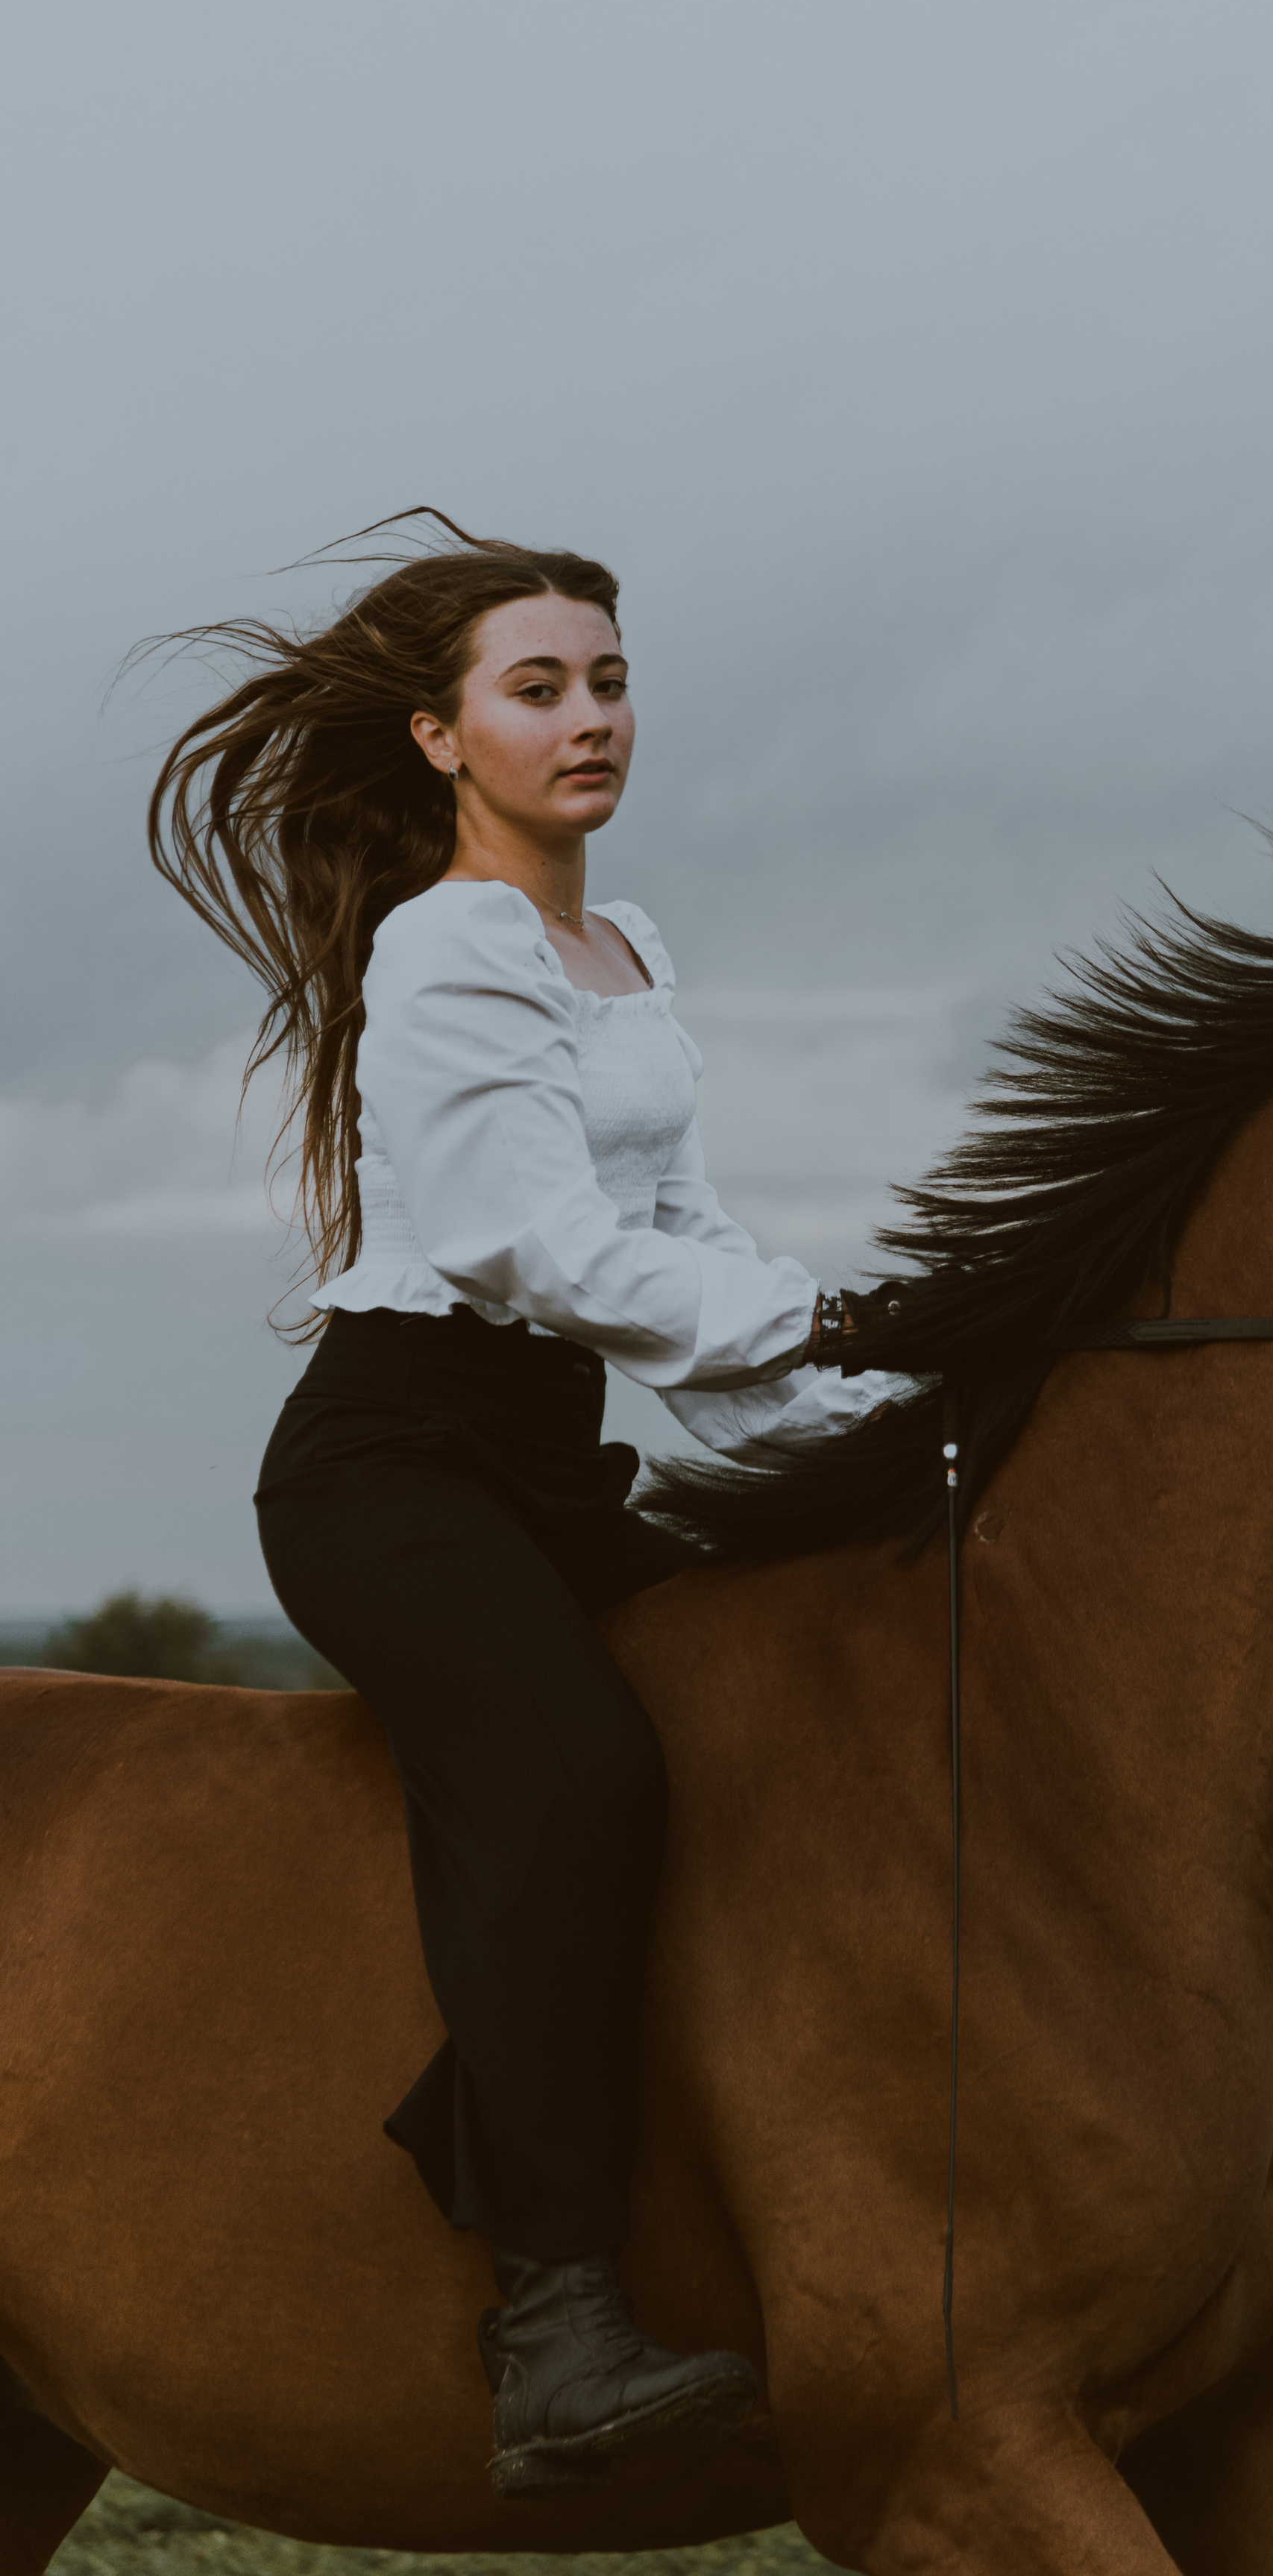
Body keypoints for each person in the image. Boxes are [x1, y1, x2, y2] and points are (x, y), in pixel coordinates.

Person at [148, 512, 899, 2498]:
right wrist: (810, 1314)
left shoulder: (627, 948)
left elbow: (675, 1237)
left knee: (781, 1701)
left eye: (611, 679)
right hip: (395, 1464)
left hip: (551, 1457)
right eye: (539, 688)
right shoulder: (454, 943)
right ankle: (557, 2321)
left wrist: (896, 1380)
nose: (590, 718)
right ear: (439, 735)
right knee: (573, 1774)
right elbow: (539, 1247)